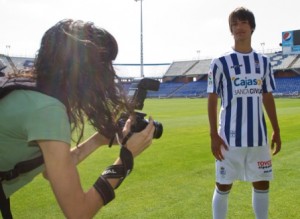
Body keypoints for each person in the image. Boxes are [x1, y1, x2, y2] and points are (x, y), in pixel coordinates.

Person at [0, 19, 155, 219]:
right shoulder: (48, 109)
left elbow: (51, 170)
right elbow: (78, 213)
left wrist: (99, 139)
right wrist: (126, 158)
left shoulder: (36, 91)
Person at [207, 7, 281, 219]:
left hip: (258, 138)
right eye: (235, 24)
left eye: (243, 23)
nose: (239, 27)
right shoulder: (220, 62)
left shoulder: (264, 62)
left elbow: (267, 96)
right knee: (223, 185)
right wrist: (213, 134)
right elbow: (212, 98)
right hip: (229, 139)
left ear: (252, 27)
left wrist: (276, 129)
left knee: (262, 182)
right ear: (231, 29)